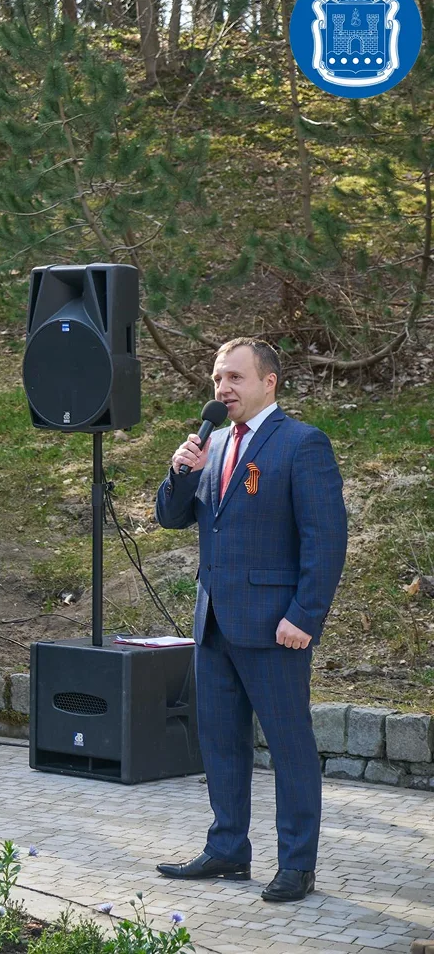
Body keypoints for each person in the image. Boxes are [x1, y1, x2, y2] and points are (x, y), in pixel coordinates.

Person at [154, 338, 347, 904]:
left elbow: (326, 539)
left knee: (289, 746)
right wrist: (179, 471)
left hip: (275, 627)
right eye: (217, 379)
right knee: (221, 742)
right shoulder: (210, 443)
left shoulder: (302, 444)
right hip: (213, 621)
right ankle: (229, 848)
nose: (223, 389)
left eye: (235, 378)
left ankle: (297, 864)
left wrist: (304, 615)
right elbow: (171, 518)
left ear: (270, 383)